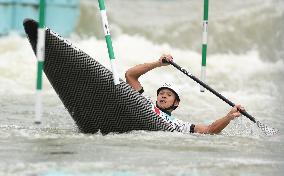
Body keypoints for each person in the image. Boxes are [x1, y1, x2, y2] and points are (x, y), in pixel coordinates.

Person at [125, 54, 244, 134]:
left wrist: (229, 117)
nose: (164, 96)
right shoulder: (145, 102)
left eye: (169, 95)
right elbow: (130, 75)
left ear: (176, 102)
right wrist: (158, 63)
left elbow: (209, 130)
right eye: (161, 93)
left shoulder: (181, 125)